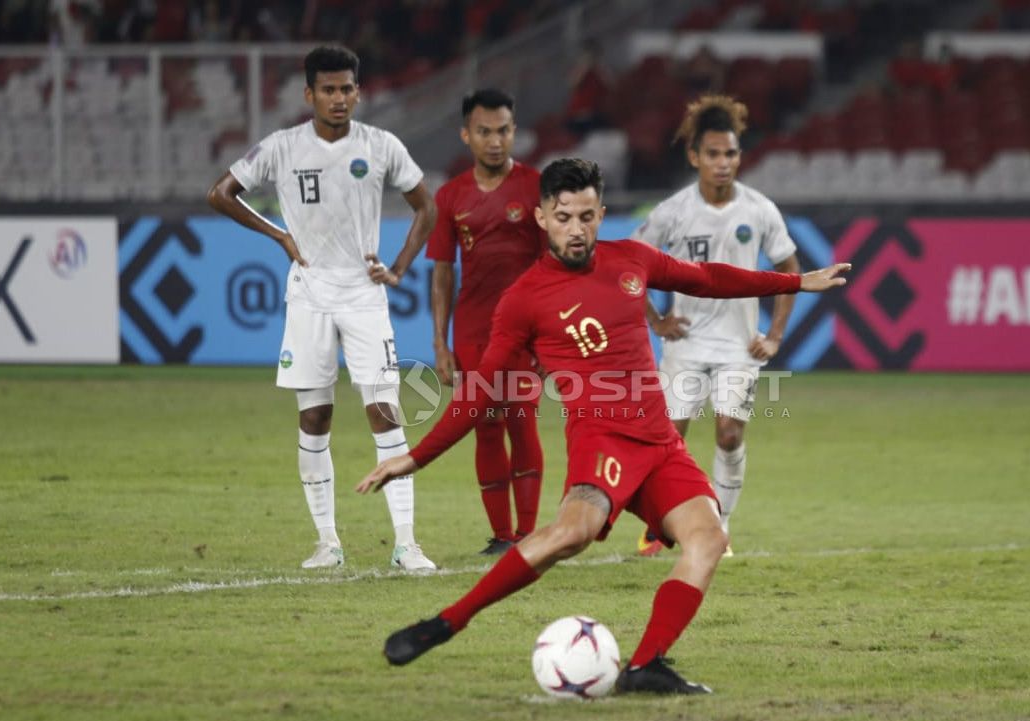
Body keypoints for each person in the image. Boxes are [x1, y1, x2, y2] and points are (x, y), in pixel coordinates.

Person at [356, 158, 850, 694]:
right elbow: (480, 391)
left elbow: (706, 279)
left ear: (602, 215)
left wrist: (794, 282)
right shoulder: (523, 300)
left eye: (587, 216)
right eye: (564, 216)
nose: (576, 228)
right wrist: (416, 458)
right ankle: (447, 622)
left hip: (660, 443)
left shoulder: (631, 260)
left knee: (708, 539)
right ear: (542, 218)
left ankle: (644, 666)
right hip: (602, 442)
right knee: (573, 534)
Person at [207, 45, 438, 571]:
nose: (339, 99)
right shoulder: (282, 147)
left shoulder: (380, 145)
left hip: (363, 297)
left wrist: (398, 268)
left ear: (359, 92)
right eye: (328, 90)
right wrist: (279, 236)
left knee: (385, 412)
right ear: (309, 94)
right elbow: (220, 194)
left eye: (347, 89)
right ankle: (328, 544)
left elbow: (427, 205)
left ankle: (406, 544)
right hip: (309, 296)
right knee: (314, 418)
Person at [633, 95, 800, 558]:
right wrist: (657, 319)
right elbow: (631, 266)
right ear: (694, 157)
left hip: (737, 348)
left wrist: (775, 335)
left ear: (739, 156)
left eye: (730, 154)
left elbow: (790, 268)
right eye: (713, 154)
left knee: (729, 433)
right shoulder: (673, 211)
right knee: (669, 443)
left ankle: (718, 529)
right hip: (685, 346)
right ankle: (661, 524)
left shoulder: (759, 209)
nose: (723, 163)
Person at [428, 88, 546, 556]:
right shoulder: (449, 196)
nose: (495, 141)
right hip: (473, 329)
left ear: (514, 132)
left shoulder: (537, 188)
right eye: (484, 132)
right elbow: (441, 272)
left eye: (503, 131)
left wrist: (547, 337)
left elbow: (551, 265)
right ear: (466, 135)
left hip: (526, 328)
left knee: (523, 422)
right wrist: (440, 343)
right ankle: (501, 537)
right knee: (486, 425)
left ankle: (530, 534)